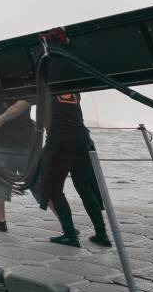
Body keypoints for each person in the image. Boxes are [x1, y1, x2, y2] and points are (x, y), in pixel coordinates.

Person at [38, 91, 110, 247]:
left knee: (54, 190)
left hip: (60, 144)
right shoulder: (74, 89)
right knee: (85, 188)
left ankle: (70, 235)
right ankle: (102, 234)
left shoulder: (44, 88)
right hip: (81, 140)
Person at [0, 98, 34, 232]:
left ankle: (1, 221)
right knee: (38, 183)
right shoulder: (26, 84)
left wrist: (3, 118)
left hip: (4, 145)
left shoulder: (6, 87)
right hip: (26, 144)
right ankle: (65, 224)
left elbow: (21, 105)